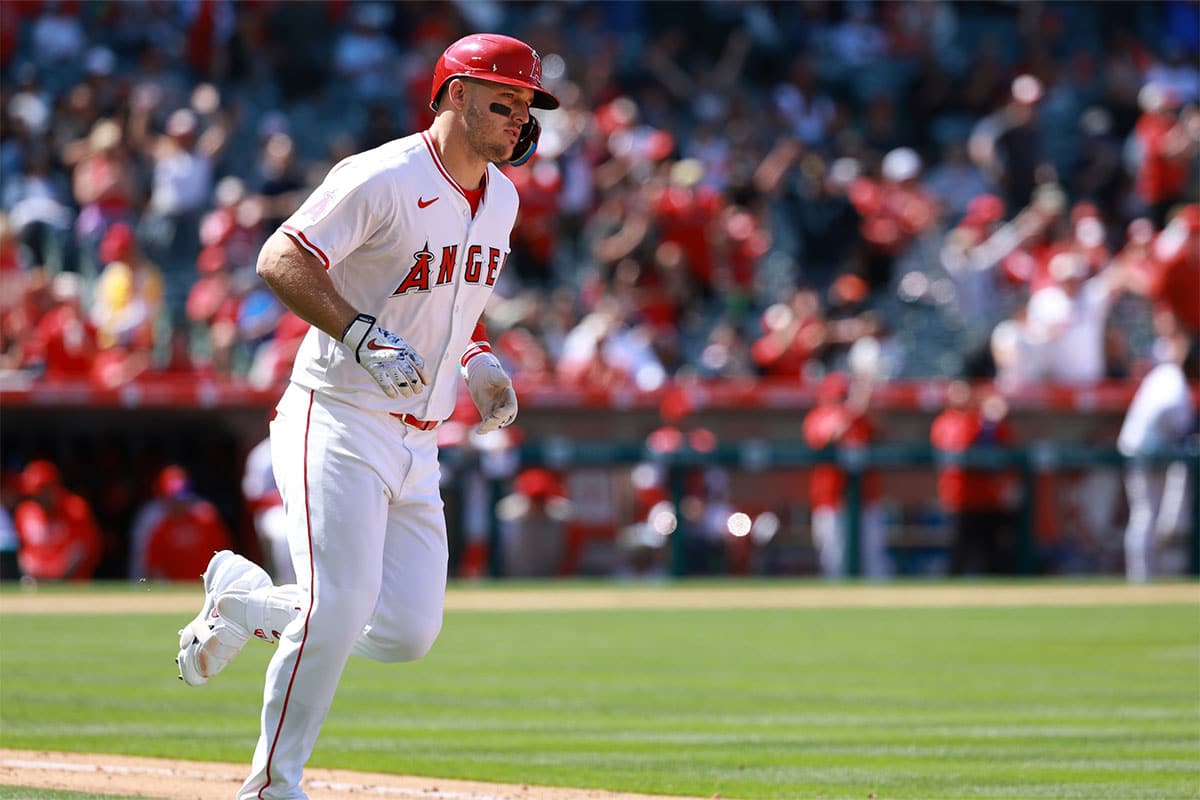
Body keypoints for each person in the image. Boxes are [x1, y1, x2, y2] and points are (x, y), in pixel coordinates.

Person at [173, 33, 555, 799]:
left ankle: (245, 603)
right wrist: (356, 331)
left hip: (421, 440)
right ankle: (272, 785)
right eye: (502, 99)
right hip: (339, 414)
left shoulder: (505, 197)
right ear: (453, 95)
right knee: (338, 604)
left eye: (526, 104)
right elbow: (282, 257)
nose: (518, 117)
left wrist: (479, 366)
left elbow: (455, 308)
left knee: (408, 632)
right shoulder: (382, 174)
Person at [1116, 327, 1198, 582]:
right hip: (1144, 451)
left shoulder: (1167, 376)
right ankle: (1141, 578)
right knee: (1145, 514)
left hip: (1152, 451)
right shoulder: (1171, 379)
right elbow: (1177, 423)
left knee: (1152, 515)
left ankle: (1151, 575)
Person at [12, 459, 103, 581]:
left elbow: (84, 552)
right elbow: (21, 552)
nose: (37, 498)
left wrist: (55, 577)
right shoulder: (25, 512)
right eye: (34, 494)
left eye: (41, 492)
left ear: (53, 487)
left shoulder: (75, 509)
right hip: (35, 587)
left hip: (72, 588)